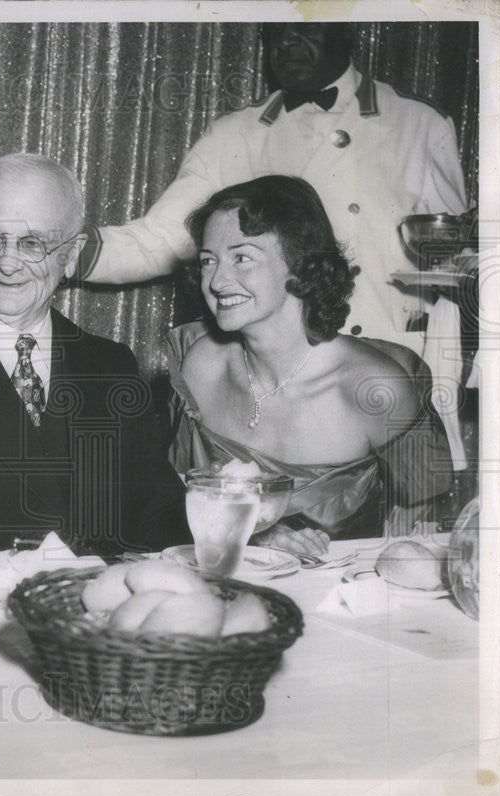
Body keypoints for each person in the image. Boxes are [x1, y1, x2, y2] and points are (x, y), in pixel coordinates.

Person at [74, 22, 470, 469]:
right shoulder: (234, 133)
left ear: (347, 31)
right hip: (275, 382)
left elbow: (456, 262)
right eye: (274, 31)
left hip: (387, 377)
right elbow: (163, 238)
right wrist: (67, 250)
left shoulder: (418, 124)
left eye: (305, 28)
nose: (286, 42)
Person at [0, 153, 190, 565]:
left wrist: (251, 543)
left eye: (33, 244)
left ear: (73, 254)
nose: (7, 263)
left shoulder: (110, 365)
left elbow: (159, 514)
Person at [167, 175, 452, 553]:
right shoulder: (202, 365)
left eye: (242, 257)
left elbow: (427, 518)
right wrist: (261, 534)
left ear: (301, 266)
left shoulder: (373, 387)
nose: (217, 281)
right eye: (208, 260)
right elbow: (177, 495)